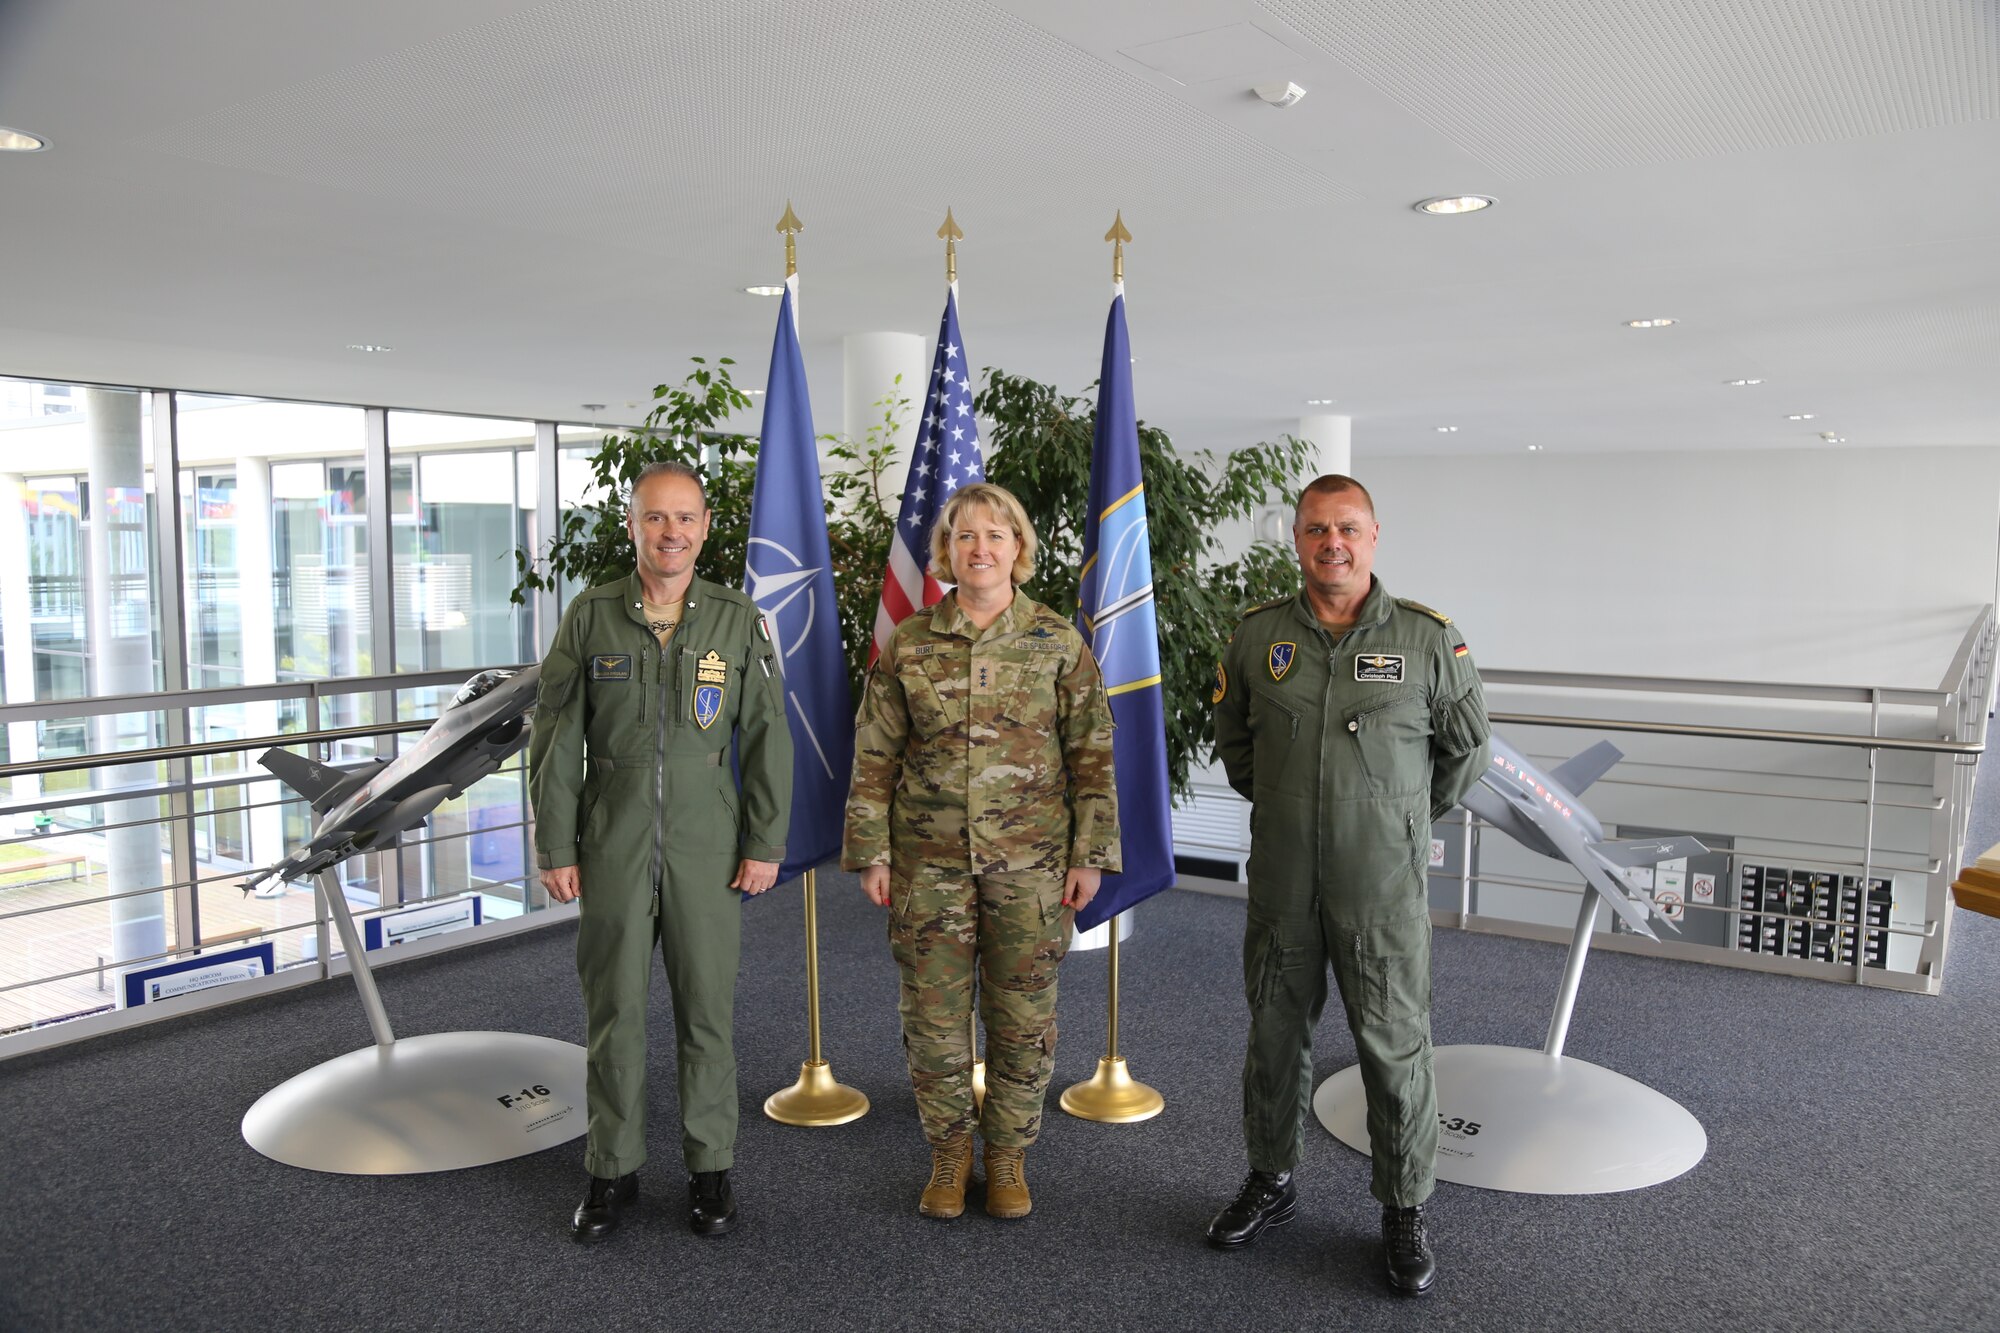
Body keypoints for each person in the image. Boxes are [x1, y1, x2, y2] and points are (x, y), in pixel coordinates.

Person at [1205, 474, 1490, 1295]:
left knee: (1393, 1043)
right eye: (1317, 528)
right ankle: (1272, 1178)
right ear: (1296, 538)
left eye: (1349, 528)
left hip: (1382, 885)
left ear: (1374, 536)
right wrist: (1301, 809)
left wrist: (1397, 819)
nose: (1333, 542)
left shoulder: (1428, 638)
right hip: (1286, 877)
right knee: (1274, 1032)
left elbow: (1466, 752)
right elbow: (1237, 745)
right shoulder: (1259, 637)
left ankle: (1403, 1207)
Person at [528, 459, 792, 1243]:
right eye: (654, 517)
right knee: (614, 1010)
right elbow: (556, 736)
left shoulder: (737, 618)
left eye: (684, 518)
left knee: (706, 1009)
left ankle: (711, 1168)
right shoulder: (591, 614)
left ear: (706, 527)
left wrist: (765, 837)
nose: (670, 532)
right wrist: (555, 840)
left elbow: (767, 735)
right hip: (611, 833)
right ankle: (611, 1169)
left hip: (706, 839)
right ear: (633, 525)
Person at [843, 482, 1119, 1221]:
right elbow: (875, 752)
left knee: (1024, 1018)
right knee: (934, 1018)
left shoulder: (1056, 640)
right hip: (926, 867)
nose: (981, 549)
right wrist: (870, 852)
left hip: (1031, 870)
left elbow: (1091, 753)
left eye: (996, 535)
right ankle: (948, 1153)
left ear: (1018, 548)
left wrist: (1090, 855)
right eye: (966, 536)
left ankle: (1006, 1156)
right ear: (946, 552)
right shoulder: (912, 642)